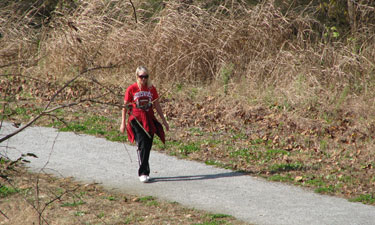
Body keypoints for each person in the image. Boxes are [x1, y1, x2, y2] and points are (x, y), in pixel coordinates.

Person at [120, 66, 169, 183]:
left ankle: (144, 166)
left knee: (148, 144)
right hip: (136, 119)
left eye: (146, 76)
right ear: (137, 77)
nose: (144, 79)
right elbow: (125, 106)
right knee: (142, 143)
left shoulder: (151, 89)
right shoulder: (132, 89)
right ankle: (143, 172)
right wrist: (122, 123)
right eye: (141, 77)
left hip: (149, 118)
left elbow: (157, 105)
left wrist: (164, 121)